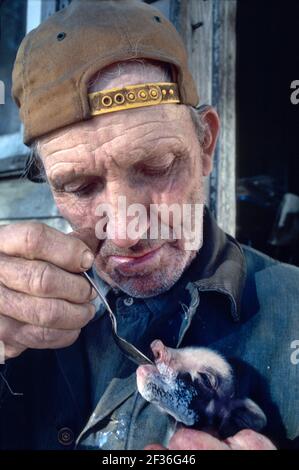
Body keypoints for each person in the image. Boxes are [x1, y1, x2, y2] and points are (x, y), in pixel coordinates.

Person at [0, 0, 297, 450]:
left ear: (206, 144)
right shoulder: (16, 321)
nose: (125, 232)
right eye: (79, 187)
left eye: (157, 166)